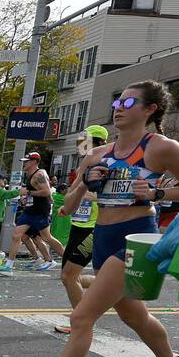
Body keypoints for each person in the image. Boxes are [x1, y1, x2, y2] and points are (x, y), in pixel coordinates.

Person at [18, 80, 179, 357]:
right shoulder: (95, 155)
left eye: (130, 103)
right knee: (134, 317)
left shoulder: (162, 148)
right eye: (118, 101)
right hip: (102, 239)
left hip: (136, 238)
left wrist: (159, 193)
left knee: (82, 317)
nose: (119, 107)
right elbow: (69, 207)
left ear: (150, 110)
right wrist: (86, 184)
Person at [54, 125, 109, 334]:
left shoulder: (104, 163)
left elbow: (113, 196)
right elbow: (74, 193)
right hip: (79, 224)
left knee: (69, 276)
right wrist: (67, 205)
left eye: (82, 140)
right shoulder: (85, 163)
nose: (79, 144)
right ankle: (113, 284)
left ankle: (80, 324)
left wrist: (86, 195)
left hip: (94, 227)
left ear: (93, 141)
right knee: (67, 276)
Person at [0, 152, 62, 275]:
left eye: (27, 161)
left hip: (40, 210)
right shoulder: (31, 175)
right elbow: (34, 192)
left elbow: (46, 191)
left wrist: (28, 193)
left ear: (34, 162)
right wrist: (26, 197)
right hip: (30, 210)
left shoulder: (39, 174)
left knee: (47, 238)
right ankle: (9, 266)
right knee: (16, 235)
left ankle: (67, 259)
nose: (24, 163)